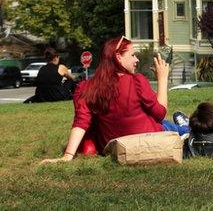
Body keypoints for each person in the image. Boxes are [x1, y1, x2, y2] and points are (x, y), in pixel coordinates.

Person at [40, 36, 184, 163]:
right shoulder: (137, 81)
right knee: (175, 127)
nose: (137, 59)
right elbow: (160, 113)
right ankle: (188, 124)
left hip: (114, 147)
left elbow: (81, 122)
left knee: (170, 123)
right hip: (150, 139)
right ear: (118, 57)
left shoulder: (87, 88)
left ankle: (183, 120)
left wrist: (67, 155)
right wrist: (162, 78)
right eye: (133, 55)